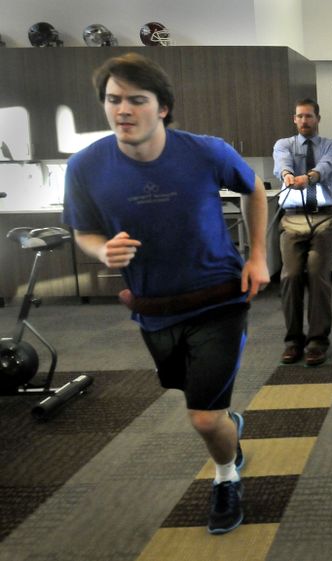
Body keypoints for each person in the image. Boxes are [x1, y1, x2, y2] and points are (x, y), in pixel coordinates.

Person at [62, 52, 269, 535]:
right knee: (197, 402)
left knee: (201, 417)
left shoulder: (205, 151)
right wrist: (101, 251)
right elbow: (84, 231)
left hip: (219, 299)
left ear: (163, 108)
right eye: (114, 100)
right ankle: (226, 428)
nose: (124, 110)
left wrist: (257, 255)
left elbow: (254, 188)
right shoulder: (86, 167)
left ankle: (224, 474)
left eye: (137, 99)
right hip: (154, 308)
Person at [273, 98, 332, 367]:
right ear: (294, 119)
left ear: (317, 118)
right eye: (300, 117)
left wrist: (310, 177)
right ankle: (293, 340)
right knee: (290, 275)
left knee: (317, 273)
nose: (304, 121)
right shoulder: (284, 145)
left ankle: (317, 341)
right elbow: (282, 162)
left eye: (309, 116)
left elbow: (329, 166)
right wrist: (288, 174)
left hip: (324, 217)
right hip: (292, 219)